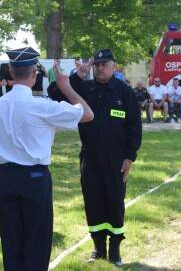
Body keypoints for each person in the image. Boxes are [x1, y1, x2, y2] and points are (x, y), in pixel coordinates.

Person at [0, 46, 93, 271]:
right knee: (37, 242)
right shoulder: (41, 106)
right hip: (34, 178)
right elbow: (88, 115)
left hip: (6, 179)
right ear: (35, 74)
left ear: (11, 73)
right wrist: (66, 87)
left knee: (11, 243)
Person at [49, 48, 142, 267]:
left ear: (113, 66)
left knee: (114, 201)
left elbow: (134, 127)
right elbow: (55, 94)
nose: (100, 68)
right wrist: (77, 75)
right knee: (93, 201)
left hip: (116, 158)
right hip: (90, 156)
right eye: (97, 65)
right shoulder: (84, 87)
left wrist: (130, 157)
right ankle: (98, 246)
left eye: (104, 64)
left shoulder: (123, 91)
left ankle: (115, 250)